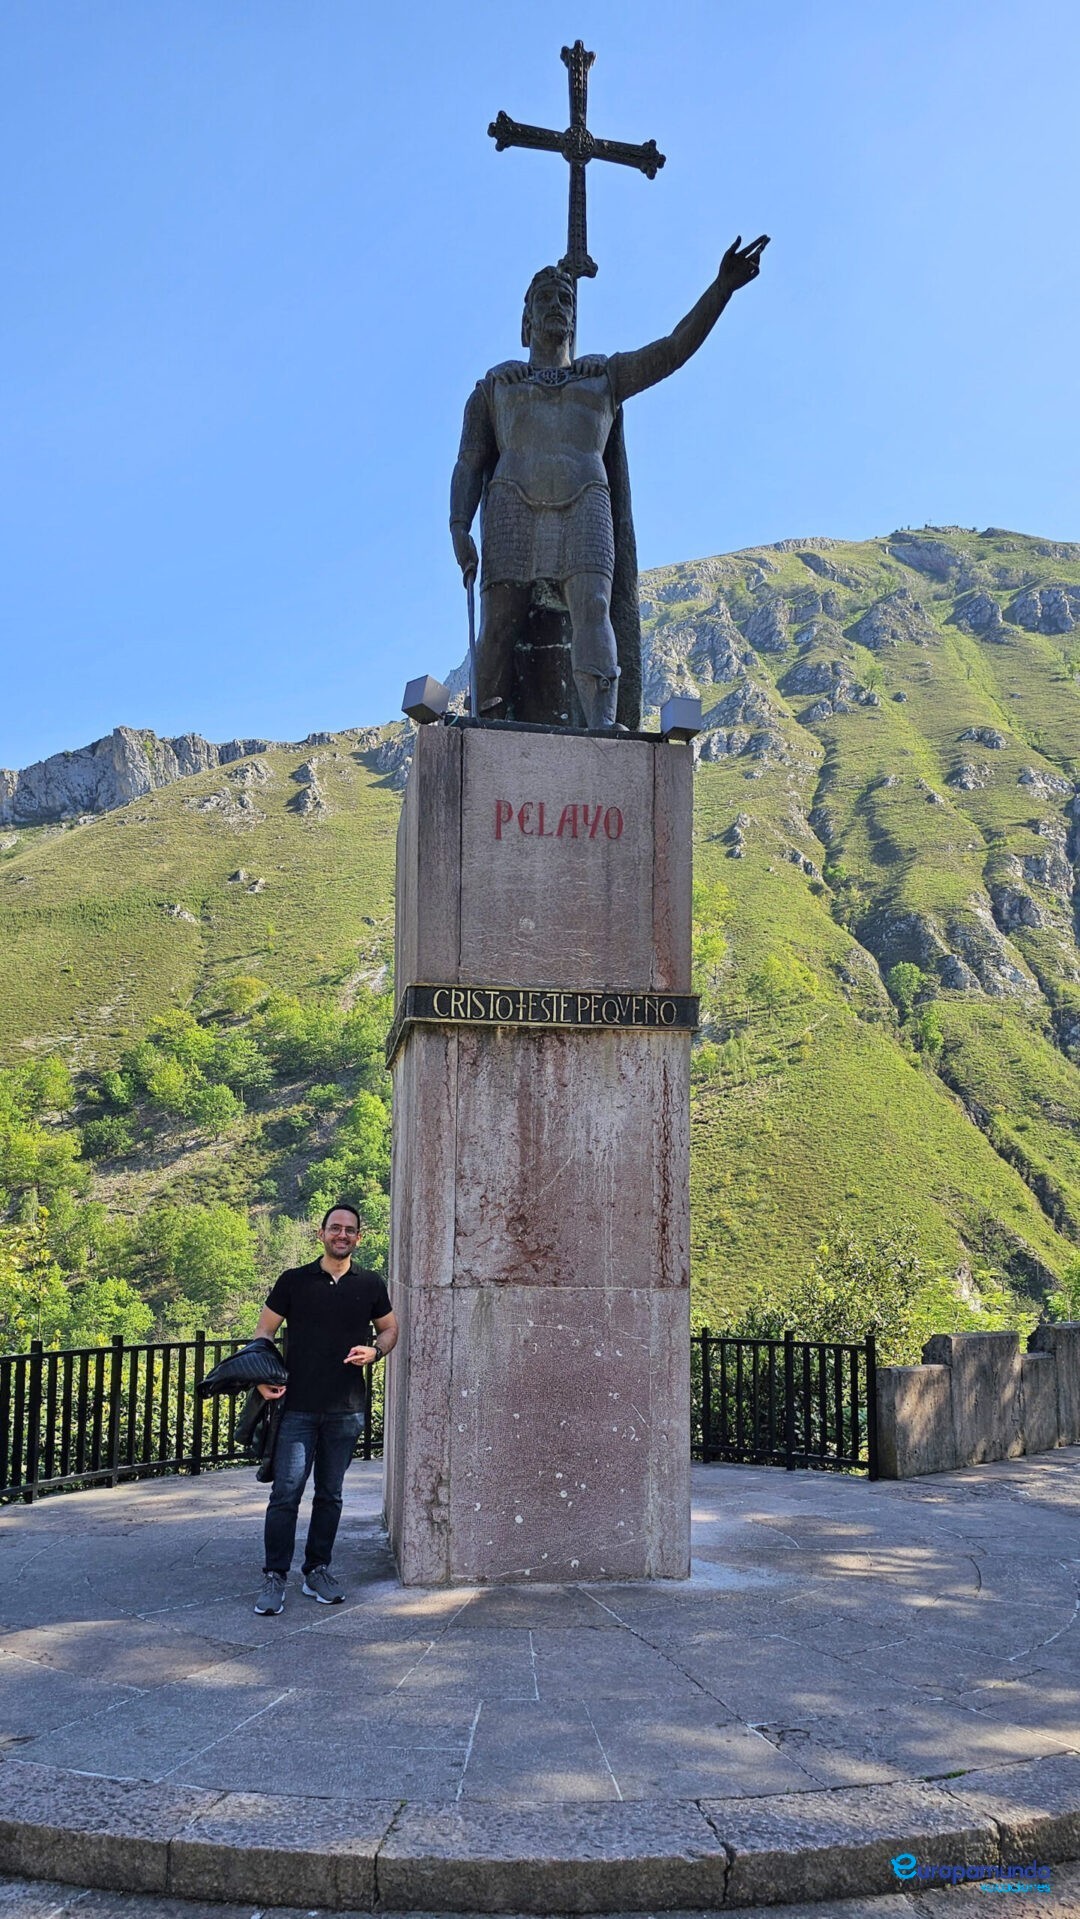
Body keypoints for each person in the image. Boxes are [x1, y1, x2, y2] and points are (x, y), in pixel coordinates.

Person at [450, 234, 768, 731]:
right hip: (512, 501)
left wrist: (721, 289)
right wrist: (458, 527)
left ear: (574, 320)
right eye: (545, 299)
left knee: (594, 608)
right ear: (526, 320)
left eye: (565, 300)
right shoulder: (496, 386)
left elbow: (671, 351)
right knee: (499, 626)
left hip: (585, 502)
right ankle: (486, 725)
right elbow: (469, 462)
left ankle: (603, 725)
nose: (558, 306)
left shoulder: (603, 377)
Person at [251, 1203, 398, 1615]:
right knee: (286, 1494)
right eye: (335, 1228)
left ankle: (317, 1570)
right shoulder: (294, 1281)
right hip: (296, 1408)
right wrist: (262, 1377)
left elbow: (390, 1328)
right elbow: (264, 1331)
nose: (342, 1235)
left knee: (330, 1495)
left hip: (346, 1410)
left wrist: (376, 1350)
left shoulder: (369, 1284)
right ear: (321, 1234)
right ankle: (275, 1576)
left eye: (350, 1230)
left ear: (359, 1238)